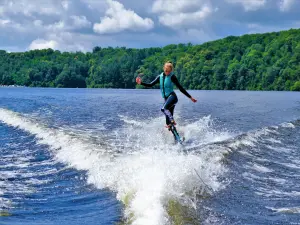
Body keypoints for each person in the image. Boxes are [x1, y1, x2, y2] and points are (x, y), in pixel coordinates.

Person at [136, 62, 197, 129]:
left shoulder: (172, 77)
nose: (167, 72)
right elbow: (150, 85)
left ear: (171, 71)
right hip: (166, 99)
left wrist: (190, 97)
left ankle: (172, 120)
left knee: (164, 109)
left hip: (172, 97)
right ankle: (176, 137)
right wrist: (141, 83)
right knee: (168, 124)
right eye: (166, 71)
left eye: (169, 71)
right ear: (164, 69)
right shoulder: (160, 77)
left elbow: (181, 88)